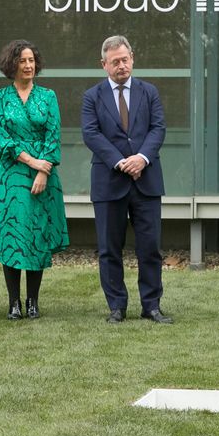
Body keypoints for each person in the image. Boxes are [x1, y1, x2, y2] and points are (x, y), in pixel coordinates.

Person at [82, 35, 172, 324]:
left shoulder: (150, 92)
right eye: (115, 61)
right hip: (109, 181)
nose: (121, 65)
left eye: (125, 59)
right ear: (104, 64)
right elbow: (91, 134)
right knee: (109, 249)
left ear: (132, 58)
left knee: (150, 247)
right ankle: (116, 307)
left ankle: (152, 306)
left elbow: (157, 129)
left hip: (146, 180)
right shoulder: (92, 97)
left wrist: (141, 158)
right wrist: (121, 162)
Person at [0, 40, 69, 320]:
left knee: (36, 235)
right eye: (22, 61)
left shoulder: (48, 96)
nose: (28, 65)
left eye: (31, 60)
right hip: (10, 175)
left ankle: (32, 301)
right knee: (11, 236)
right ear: (12, 65)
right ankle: (13, 302)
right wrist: (31, 161)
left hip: (44, 175)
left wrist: (43, 171)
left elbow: (53, 136)